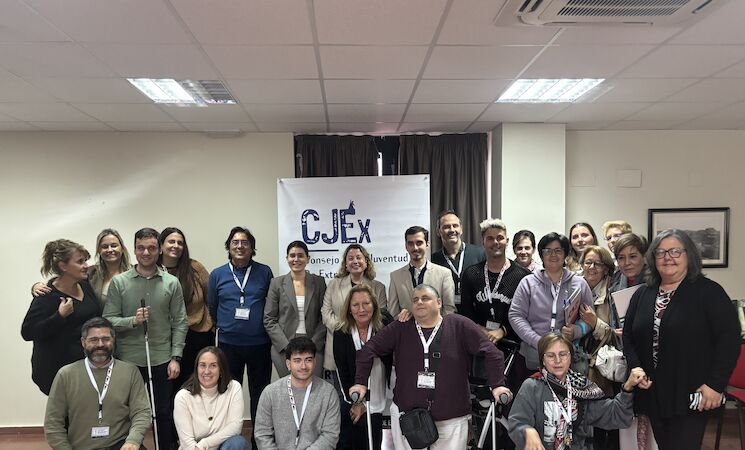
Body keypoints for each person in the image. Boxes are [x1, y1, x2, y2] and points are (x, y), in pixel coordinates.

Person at [350, 284, 512, 450]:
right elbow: (367, 350)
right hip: (408, 417)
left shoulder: (459, 325)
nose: (419, 302)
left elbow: (493, 353)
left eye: (425, 298)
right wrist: (360, 383)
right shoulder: (401, 327)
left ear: (439, 302)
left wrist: (498, 385)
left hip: (451, 417)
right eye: (415, 300)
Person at [623, 228, 741, 450]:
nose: (668, 257)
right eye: (660, 252)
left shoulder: (709, 292)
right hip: (654, 393)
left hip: (692, 391)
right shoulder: (643, 294)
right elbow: (628, 336)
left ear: (689, 255)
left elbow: (729, 340)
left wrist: (715, 385)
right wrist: (636, 366)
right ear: (653, 258)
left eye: (675, 251)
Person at [103, 227, 188, 450]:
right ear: (134, 250)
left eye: (151, 248)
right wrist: (132, 321)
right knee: (128, 413)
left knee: (163, 411)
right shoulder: (119, 282)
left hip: (162, 358)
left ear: (160, 250)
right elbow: (108, 320)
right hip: (128, 359)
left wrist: (176, 357)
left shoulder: (171, 282)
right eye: (141, 248)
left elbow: (180, 322)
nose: (146, 253)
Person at [508, 333, 646, 450]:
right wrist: (527, 431)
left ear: (570, 357)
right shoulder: (532, 386)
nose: (557, 360)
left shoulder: (582, 389)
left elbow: (615, 415)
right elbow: (516, 423)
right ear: (543, 360)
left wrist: (628, 387)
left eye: (563, 354)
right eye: (550, 355)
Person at [208, 226, 273, 448]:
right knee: (228, 394)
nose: (240, 246)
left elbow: (271, 304)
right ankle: (229, 441)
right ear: (228, 247)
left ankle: (259, 441)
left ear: (252, 248)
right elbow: (212, 306)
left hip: (260, 343)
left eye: (245, 242)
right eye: (235, 242)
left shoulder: (264, 272)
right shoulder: (217, 274)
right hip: (228, 345)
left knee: (260, 394)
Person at [44, 317, 151, 450]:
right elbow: (53, 423)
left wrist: (133, 441)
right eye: (93, 340)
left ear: (113, 340)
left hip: (120, 445)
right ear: (83, 342)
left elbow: (142, 412)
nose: (100, 344)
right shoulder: (66, 375)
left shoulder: (130, 372)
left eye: (106, 339)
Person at [22, 239, 100, 395]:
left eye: (85, 260)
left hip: (86, 367)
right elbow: (28, 332)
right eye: (80, 261)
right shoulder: (46, 296)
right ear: (63, 266)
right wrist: (60, 316)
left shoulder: (85, 285)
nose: (86, 265)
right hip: (57, 372)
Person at [460, 218, 532, 388]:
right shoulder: (471, 274)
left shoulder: (523, 276)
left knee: (511, 392)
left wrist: (503, 331)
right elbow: (465, 311)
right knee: (481, 394)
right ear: (483, 242)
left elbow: (527, 313)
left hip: (514, 346)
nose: (495, 242)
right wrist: (479, 329)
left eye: (499, 238)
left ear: (507, 240)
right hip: (480, 344)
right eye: (490, 238)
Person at [508, 232, 594, 370]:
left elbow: (590, 320)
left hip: (567, 357)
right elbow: (515, 315)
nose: (553, 255)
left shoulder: (579, 284)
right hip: (533, 354)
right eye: (548, 250)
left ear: (565, 254)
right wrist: (537, 341)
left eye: (558, 250)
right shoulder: (528, 283)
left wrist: (576, 331)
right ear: (541, 254)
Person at [333, 284, 393, 450]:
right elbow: (342, 370)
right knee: (358, 438)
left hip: (380, 388)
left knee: (375, 435)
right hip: (355, 394)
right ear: (349, 309)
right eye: (355, 305)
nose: (361, 309)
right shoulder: (341, 331)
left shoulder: (385, 323)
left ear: (374, 304)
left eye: (366, 303)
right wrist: (355, 402)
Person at [254, 337, 340, 450]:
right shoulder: (270, 393)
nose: (303, 366)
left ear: (315, 362)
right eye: (297, 360)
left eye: (308, 360)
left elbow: (330, 436)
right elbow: (262, 434)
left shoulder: (328, 393)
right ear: (288, 364)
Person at [158, 227, 214, 390]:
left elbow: (212, 298)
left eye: (180, 243)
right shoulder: (153, 270)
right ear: (161, 245)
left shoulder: (195, 267)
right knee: (169, 386)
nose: (175, 246)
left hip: (197, 335)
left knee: (196, 387)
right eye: (171, 241)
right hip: (166, 337)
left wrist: (212, 327)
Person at [577, 245, 620, 450]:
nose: (592, 267)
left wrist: (595, 323)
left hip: (601, 367)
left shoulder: (613, 293)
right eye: (588, 262)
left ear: (606, 268)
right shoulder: (574, 287)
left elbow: (617, 335)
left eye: (598, 264)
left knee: (601, 422)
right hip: (575, 363)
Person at [321, 243, 386, 376]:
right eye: (350, 258)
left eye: (359, 257)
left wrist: (361, 332)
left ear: (366, 262)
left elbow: (381, 316)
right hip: (339, 345)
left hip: (369, 347)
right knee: (341, 387)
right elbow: (326, 313)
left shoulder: (378, 287)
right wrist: (345, 330)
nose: (355, 261)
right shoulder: (334, 284)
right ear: (345, 264)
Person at [265, 241, 327, 376]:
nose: (296, 259)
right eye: (292, 256)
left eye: (301, 255)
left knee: (313, 386)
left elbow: (324, 317)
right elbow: (269, 319)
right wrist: (286, 346)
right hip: (284, 347)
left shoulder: (319, 282)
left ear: (308, 258)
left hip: (313, 346)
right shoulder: (276, 283)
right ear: (287, 258)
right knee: (288, 386)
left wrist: (313, 344)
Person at [173, 346, 249, 450]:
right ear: (196, 369)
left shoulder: (233, 387)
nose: (207, 371)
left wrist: (204, 444)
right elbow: (187, 444)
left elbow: (235, 427)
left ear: (221, 370)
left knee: (238, 443)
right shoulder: (182, 397)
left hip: (221, 447)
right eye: (202, 365)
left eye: (213, 366)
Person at [32, 228, 132, 306]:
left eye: (114, 245)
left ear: (122, 248)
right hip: (100, 325)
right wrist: (37, 286)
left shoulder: (134, 272)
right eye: (104, 247)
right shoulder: (91, 272)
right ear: (99, 250)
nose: (109, 250)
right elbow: (64, 279)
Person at [387, 226, 455, 318]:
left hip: (438, 326)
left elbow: (449, 309)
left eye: (419, 243)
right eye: (410, 243)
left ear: (427, 245)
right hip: (407, 327)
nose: (415, 248)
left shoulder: (444, 274)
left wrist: (440, 326)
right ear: (406, 246)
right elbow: (393, 313)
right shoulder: (395, 276)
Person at [430, 210, 485, 312]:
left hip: (475, 316)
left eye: (455, 226)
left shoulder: (480, 254)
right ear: (438, 231)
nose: (452, 230)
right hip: (446, 315)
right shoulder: (433, 260)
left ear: (461, 229)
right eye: (446, 227)